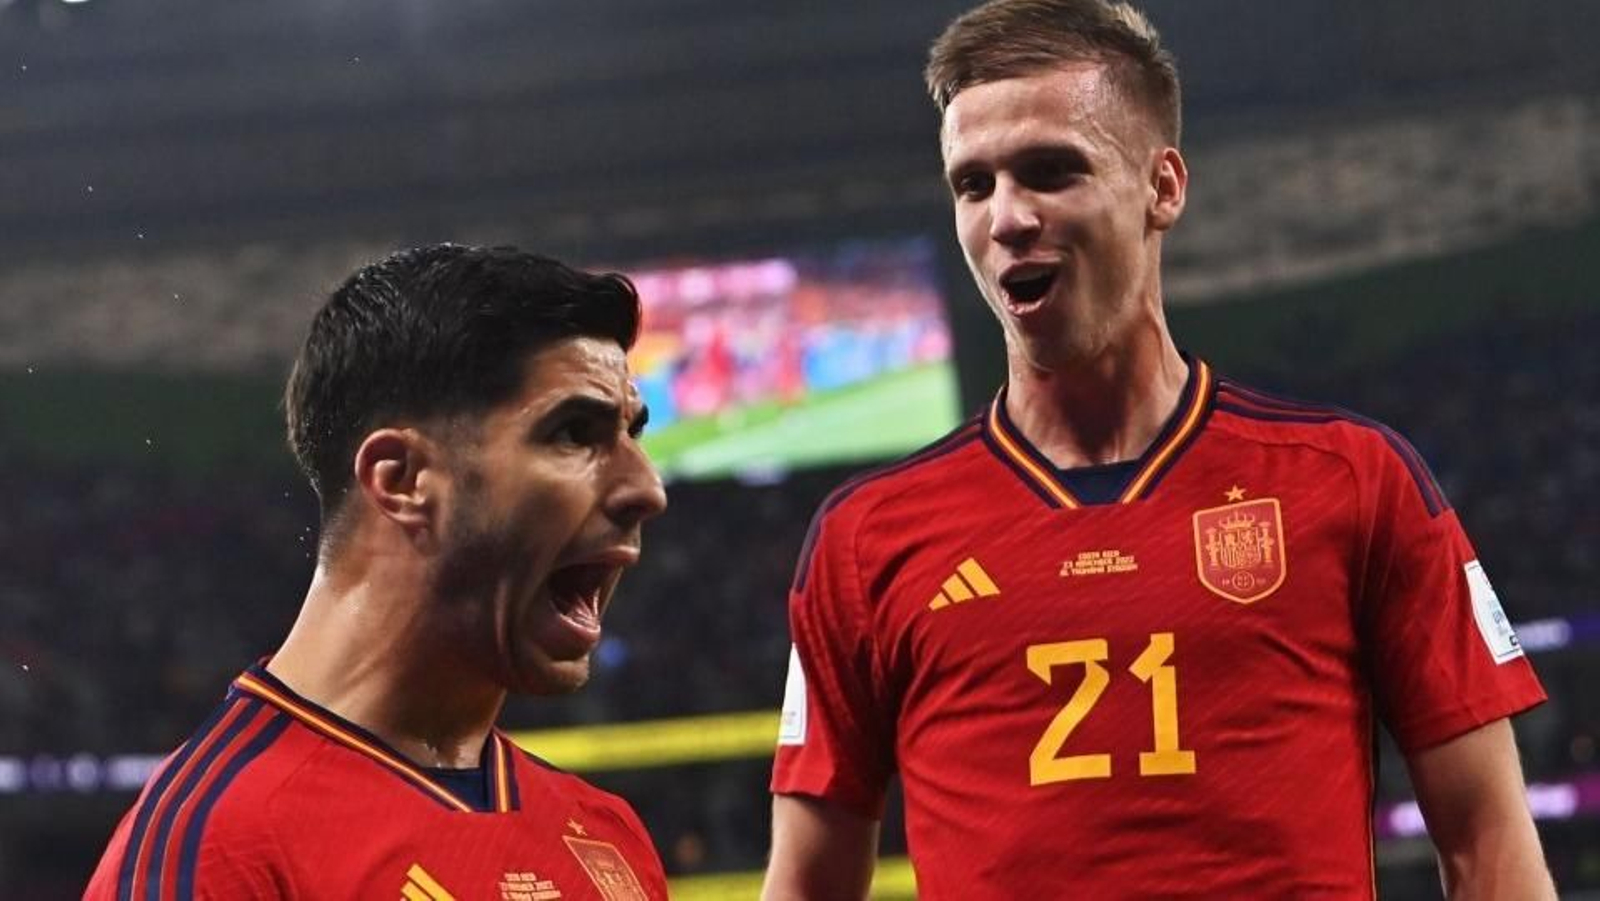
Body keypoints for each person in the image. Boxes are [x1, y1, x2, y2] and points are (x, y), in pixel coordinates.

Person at [763, 2, 1554, 898]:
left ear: (1163, 186)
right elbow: (807, 884)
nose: (1007, 217)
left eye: (1050, 171)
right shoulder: (864, 541)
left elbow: (1487, 834)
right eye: (972, 185)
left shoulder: (1354, 483)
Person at [86, 245, 671, 900]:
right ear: (402, 480)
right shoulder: (216, 852)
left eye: (633, 434)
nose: (647, 487)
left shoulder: (605, 832)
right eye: (574, 433)